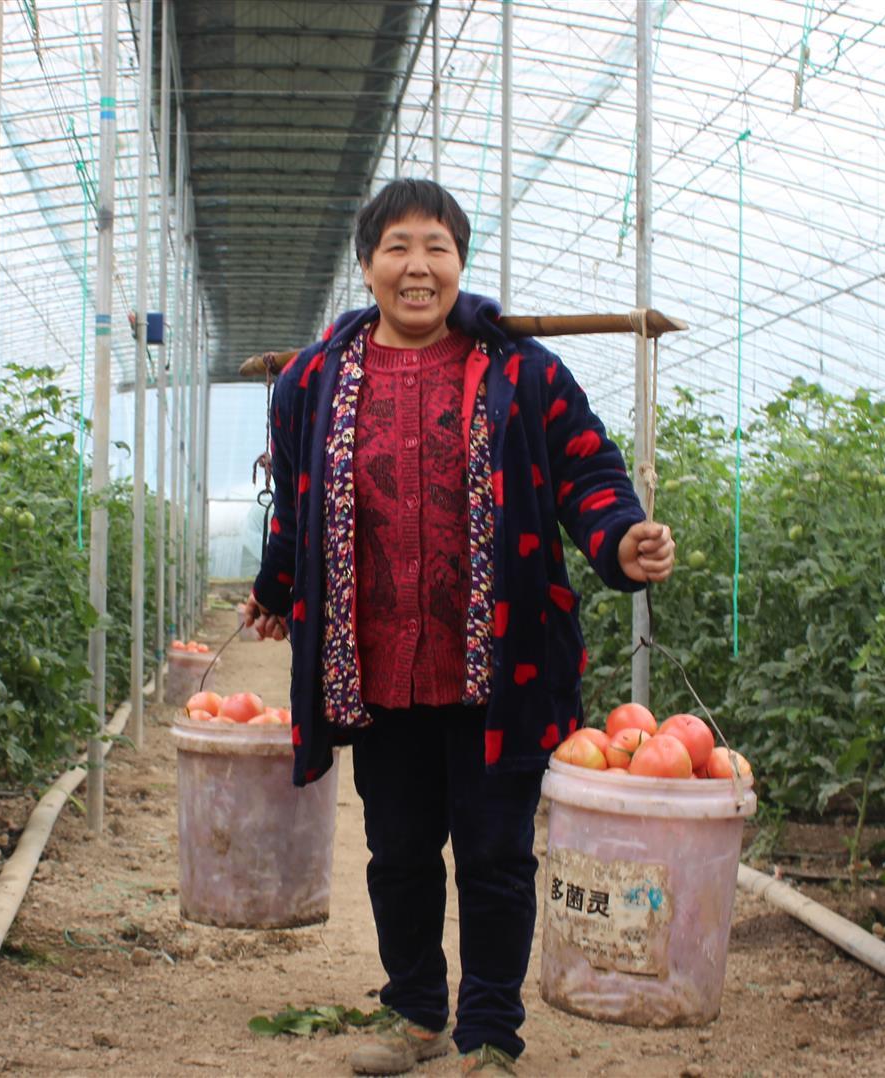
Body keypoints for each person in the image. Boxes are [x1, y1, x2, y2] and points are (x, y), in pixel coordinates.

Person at [240, 178, 675, 1076]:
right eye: (397, 246)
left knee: (495, 855)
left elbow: (585, 470)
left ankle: (488, 1034)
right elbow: (298, 503)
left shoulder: (522, 373)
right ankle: (416, 1016)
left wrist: (619, 536)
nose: (417, 266)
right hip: (376, 665)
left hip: (501, 668)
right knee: (398, 852)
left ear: (460, 261)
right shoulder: (312, 384)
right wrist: (277, 589)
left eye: (436, 246)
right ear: (367, 266)